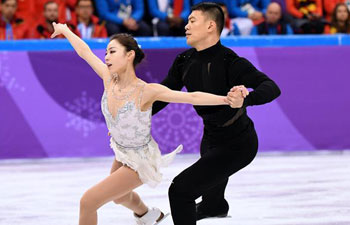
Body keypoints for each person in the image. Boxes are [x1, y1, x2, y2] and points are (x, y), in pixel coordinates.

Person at [50, 20, 232, 225]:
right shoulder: (108, 79)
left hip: (140, 161)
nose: (106, 57)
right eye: (106, 53)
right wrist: (65, 30)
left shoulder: (146, 91)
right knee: (119, 197)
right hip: (121, 151)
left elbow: (192, 97)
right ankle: (148, 215)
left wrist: (226, 99)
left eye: (112, 51)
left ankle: (146, 215)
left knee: (88, 202)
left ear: (129, 55)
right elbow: (84, 51)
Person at [151, 2, 281, 225]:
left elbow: (271, 87)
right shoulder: (184, 61)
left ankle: (214, 204)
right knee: (211, 198)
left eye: (192, 21)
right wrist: (135, 117)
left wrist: (246, 99)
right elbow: (164, 94)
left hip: (238, 144)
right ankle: (215, 205)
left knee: (180, 191)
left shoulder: (230, 61)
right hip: (210, 139)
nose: (186, 26)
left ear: (211, 26)